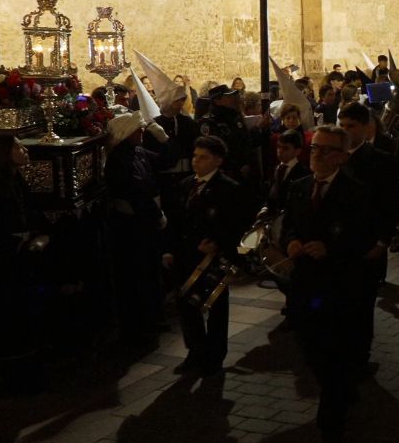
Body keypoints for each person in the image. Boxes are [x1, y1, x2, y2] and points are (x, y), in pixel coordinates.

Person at [280, 125, 375, 443]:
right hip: (305, 286)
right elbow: (289, 225)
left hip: (338, 288)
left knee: (333, 355)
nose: (316, 155)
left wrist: (331, 248)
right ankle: (343, 388)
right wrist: (290, 240)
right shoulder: (298, 187)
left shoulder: (357, 193)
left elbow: (365, 240)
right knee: (310, 351)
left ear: (342, 156)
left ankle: (330, 427)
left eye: (325, 150)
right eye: (314, 148)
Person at [166, 136, 252, 377]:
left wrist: (219, 244)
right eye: (195, 156)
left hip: (212, 259)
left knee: (215, 308)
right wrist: (169, 250)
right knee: (187, 306)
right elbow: (175, 222)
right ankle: (195, 351)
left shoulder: (229, 188)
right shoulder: (185, 186)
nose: (196, 161)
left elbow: (238, 224)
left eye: (203, 157)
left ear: (218, 160)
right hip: (186, 256)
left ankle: (214, 357)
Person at [0, 135, 49, 394]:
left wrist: (40, 234)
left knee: (28, 314)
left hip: (22, 255)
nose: (24, 149)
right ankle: (15, 378)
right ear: (4, 153)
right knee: (10, 318)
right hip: (4, 261)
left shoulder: (16, 179)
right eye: (18, 146)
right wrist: (18, 246)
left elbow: (30, 212)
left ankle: (32, 370)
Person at [339, 103, 399, 374]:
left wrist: (382, 241)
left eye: (350, 126)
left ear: (366, 128)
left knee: (362, 305)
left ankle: (360, 357)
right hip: (337, 245)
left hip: (366, 245)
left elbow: (389, 205)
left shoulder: (381, 160)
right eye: (341, 125)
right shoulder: (332, 156)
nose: (345, 131)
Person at [104, 113, 168, 345]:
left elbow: (165, 161)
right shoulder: (119, 159)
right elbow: (136, 191)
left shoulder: (138, 152)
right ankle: (139, 325)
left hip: (145, 221)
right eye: (137, 130)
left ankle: (153, 316)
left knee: (151, 270)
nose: (141, 133)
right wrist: (156, 214)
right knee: (136, 274)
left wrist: (163, 138)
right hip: (132, 226)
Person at [266, 130, 310, 214]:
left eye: (286, 148)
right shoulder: (277, 168)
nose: (280, 151)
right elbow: (271, 193)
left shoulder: (303, 174)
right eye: (278, 146)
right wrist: (264, 208)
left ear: (298, 151)